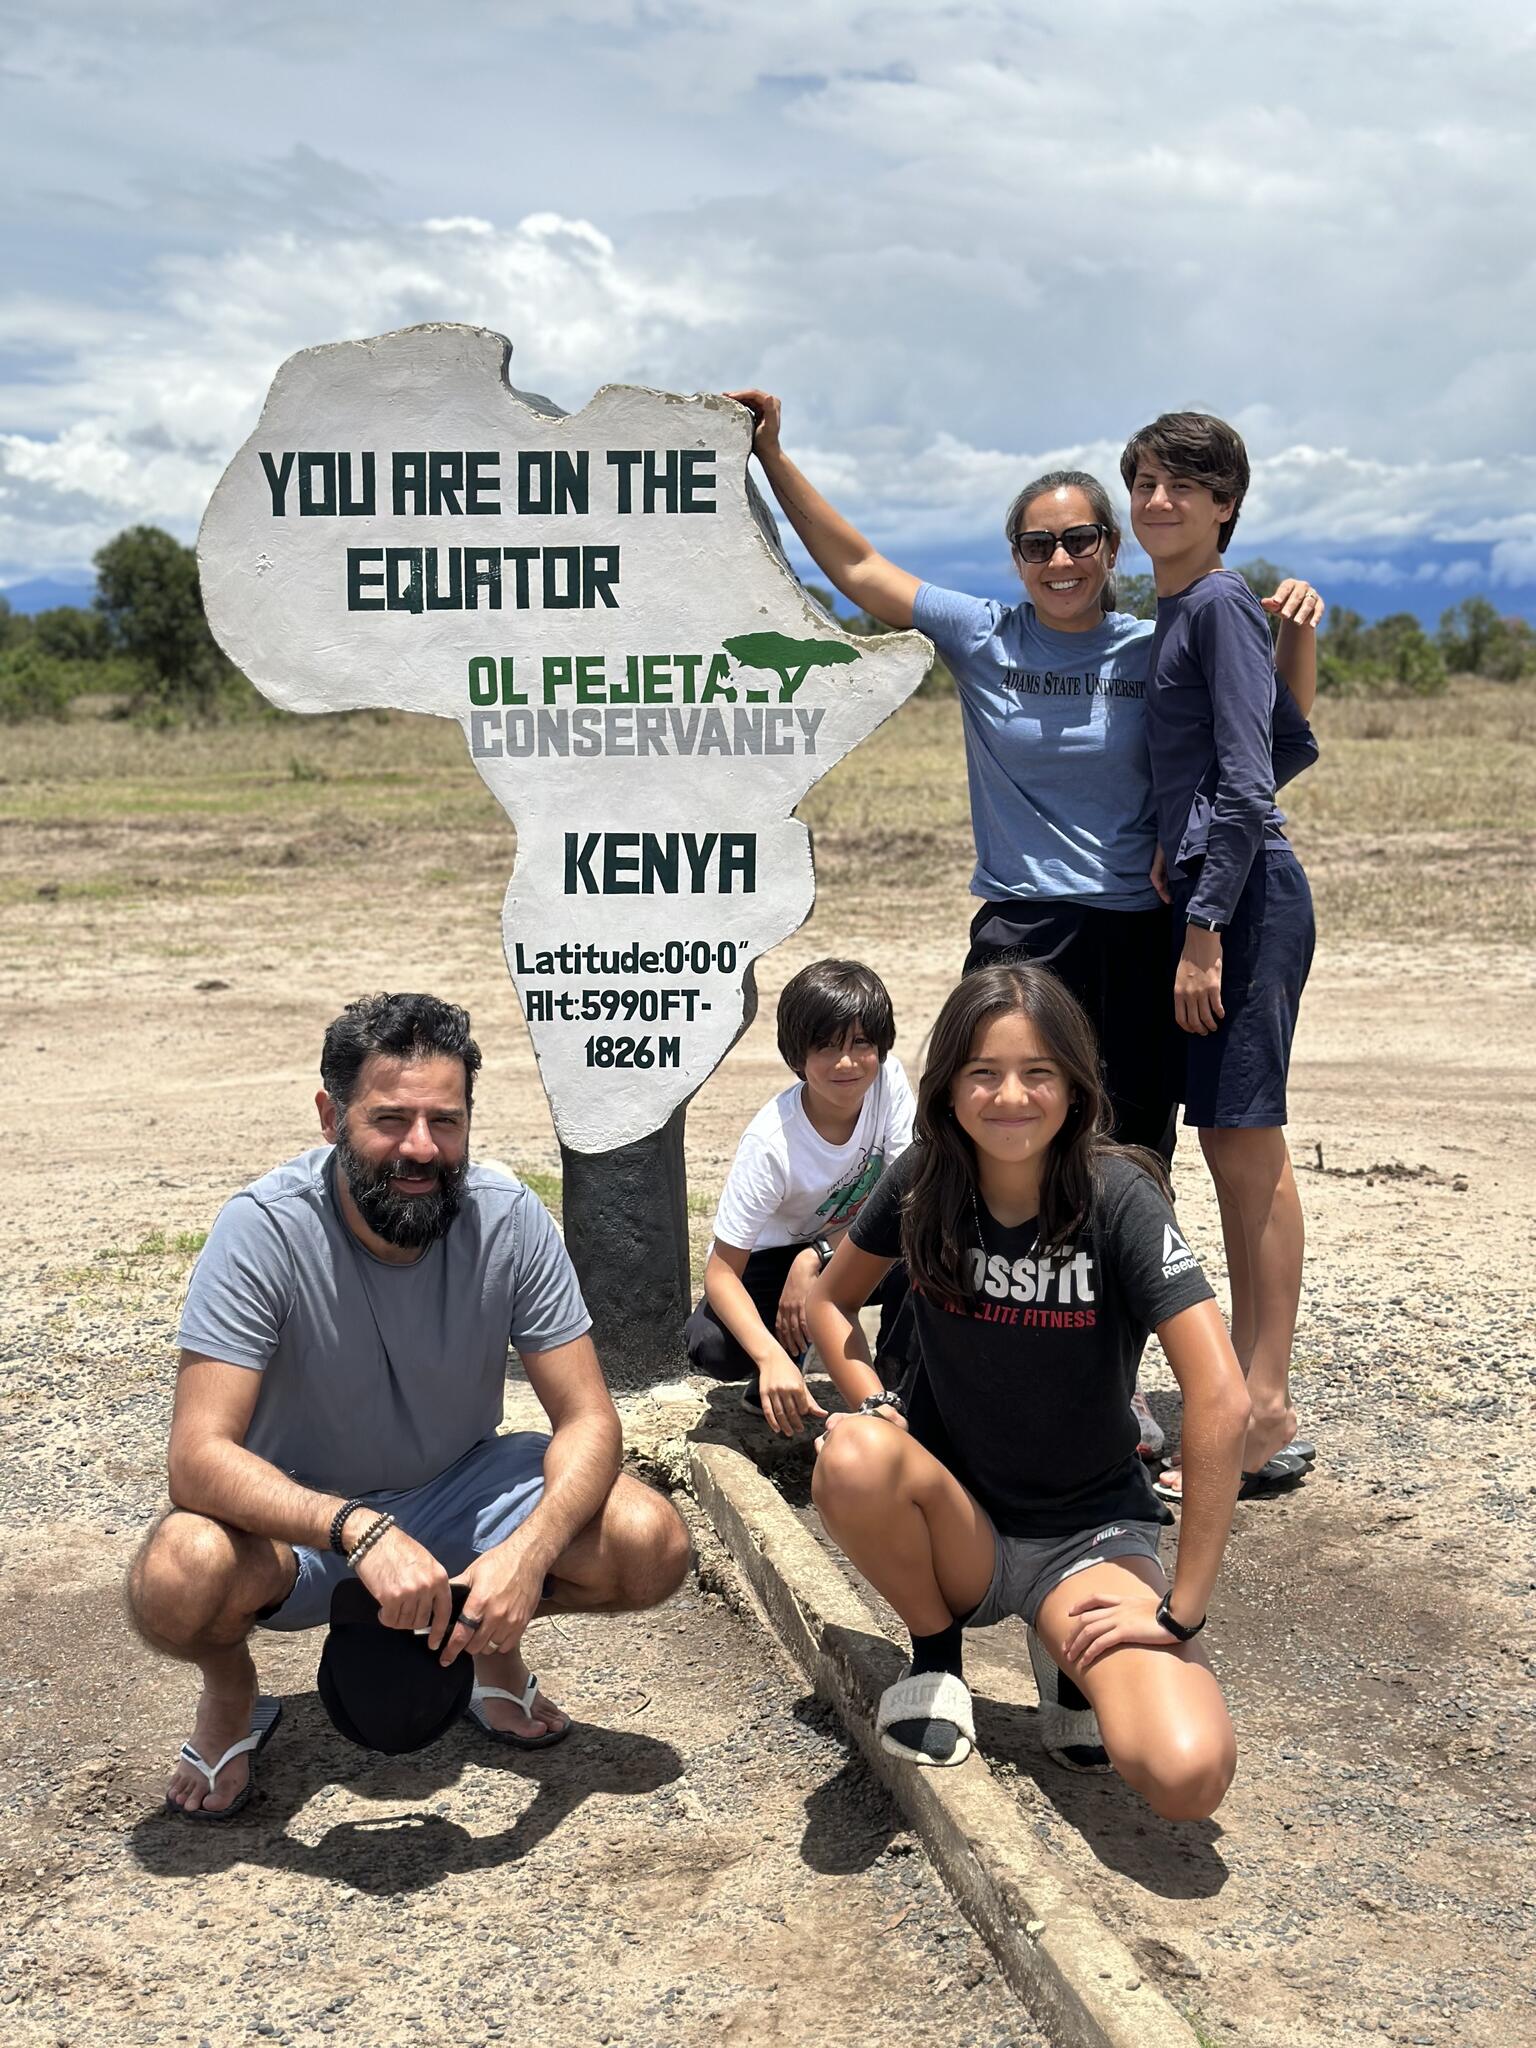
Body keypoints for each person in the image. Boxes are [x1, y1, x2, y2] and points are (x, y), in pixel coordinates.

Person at [724, 388, 1320, 1465]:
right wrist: (772, 452)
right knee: (974, 1148)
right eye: (1041, 543)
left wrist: (1296, 644)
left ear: (1109, 548)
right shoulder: (981, 633)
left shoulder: (1162, 635)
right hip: (1020, 940)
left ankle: (1118, 1390)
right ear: (1015, 556)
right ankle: (943, 1378)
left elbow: (1260, 749)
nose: (1063, 559)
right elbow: (855, 569)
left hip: (1144, 931)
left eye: (1082, 537)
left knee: (1129, 1164)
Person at [128, 991, 691, 1819]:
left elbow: (589, 1420)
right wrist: (359, 1529)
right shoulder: (261, 1229)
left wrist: (528, 1556)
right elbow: (197, 1455)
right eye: (391, 1118)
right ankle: (230, 1689)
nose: (422, 1147)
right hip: (304, 1519)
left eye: (446, 1120)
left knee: (652, 1543)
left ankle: (490, 1642)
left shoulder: (508, 1219)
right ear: (331, 1115)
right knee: (179, 1574)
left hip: (461, 1486)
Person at [805, 964, 1250, 1820]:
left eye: (1037, 1072)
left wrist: (1181, 1610)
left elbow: (1221, 1398)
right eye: (983, 1072)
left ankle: (1065, 1654)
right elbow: (830, 1303)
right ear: (947, 1087)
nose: (1010, 1096)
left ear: (1076, 1087)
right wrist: (871, 1399)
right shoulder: (924, 1180)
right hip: (959, 1525)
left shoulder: (1119, 1197)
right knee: (853, 1455)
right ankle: (935, 1657)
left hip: (1088, 1538)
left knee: (1187, 1775)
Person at [1122, 412, 1319, 1502]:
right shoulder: (1187, 612)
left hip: (1240, 909)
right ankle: (1250, 1393)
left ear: (1226, 504)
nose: (1159, 501)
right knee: (1234, 1150)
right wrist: (1178, 842)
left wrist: (1203, 923)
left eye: (1183, 486)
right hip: (1222, 894)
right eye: (1146, 482)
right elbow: (1285, 743)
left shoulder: (1216, 606)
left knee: (1249, 1155)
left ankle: (1264, 1400)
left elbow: (1251, 786)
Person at [686, 957, 915, 1436]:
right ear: (797, 1059)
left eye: (861, 1043)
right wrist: (769, 1357)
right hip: (770, 1258)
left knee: (923, 1249)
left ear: (882, 1047)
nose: (847, 1062)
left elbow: (908, 1202)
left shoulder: (888, 1083)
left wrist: (817, 1258)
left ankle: (899, 1389)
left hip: (845, 1244)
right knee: (711, 1345)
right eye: (826, 1047)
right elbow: (721, 1273)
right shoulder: (771, 1141)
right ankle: (785, 1358)